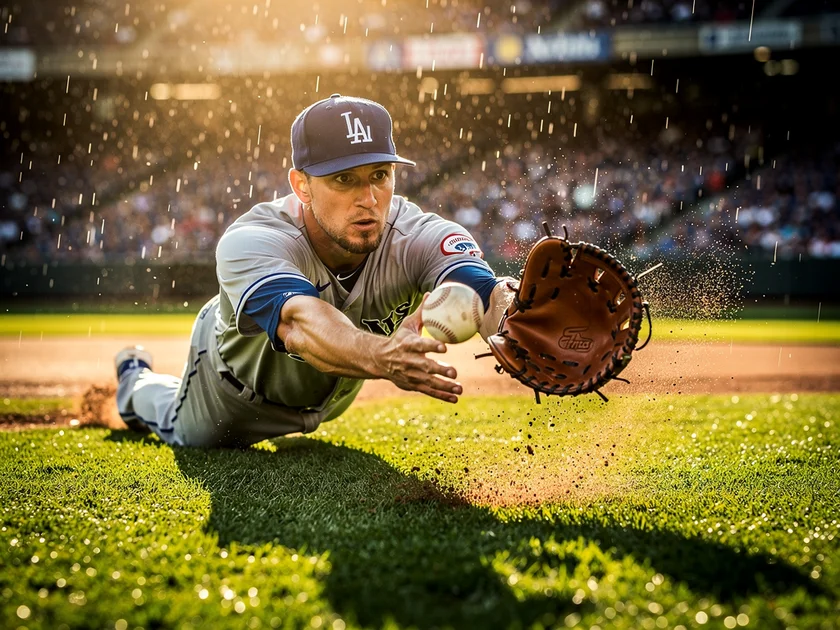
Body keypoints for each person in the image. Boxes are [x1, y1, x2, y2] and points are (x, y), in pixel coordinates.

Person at [115, 94, 514, 448]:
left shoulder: (417, 233)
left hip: (331, 399)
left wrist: (514, 315)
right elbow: (302, 326)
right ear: (302, 186)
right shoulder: (254, 239)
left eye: (380, 175)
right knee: (177, 423)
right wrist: (384, 356)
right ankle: (134, 378)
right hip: (230, 394)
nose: (369, 199)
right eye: (344, 179)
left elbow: (484, 292)